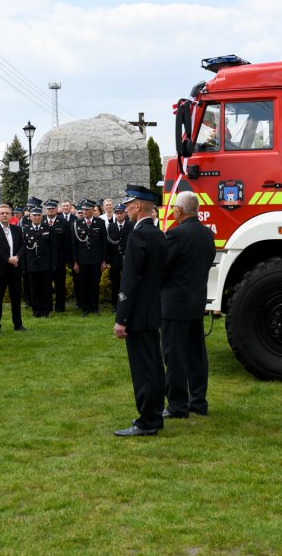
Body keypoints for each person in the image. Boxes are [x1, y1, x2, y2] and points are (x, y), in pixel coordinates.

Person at [113, 184, 167, 437]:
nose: (125, 208)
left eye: (128, 204)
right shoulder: (158, 234)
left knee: (144, 370)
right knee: (154, 365)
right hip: (153, 309)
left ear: (137, 206)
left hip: (137, 313)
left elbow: (131, 280)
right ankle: (155, 414)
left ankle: (147, 421)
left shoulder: (138, 235)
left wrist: (121, 318)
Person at [161, 191, 217, 418]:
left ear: (180, 210)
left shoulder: (175, 235)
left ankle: (177, 405)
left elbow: (163, 267)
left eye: (174, 207)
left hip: (175, 305)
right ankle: (198, 401)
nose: (173, 210)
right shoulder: (207, 234)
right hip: (196, 302)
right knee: (196, 356)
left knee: (174, 357)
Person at [0, 204, 26, 335]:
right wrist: (9, 259)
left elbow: (23, 246)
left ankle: (18, 324)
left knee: (16, 298)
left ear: (11, 214)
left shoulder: (17, 229)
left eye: (7, 213)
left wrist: (17, 257)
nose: (4, 215)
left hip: (15, 269)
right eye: (2, 213)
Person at [72, 199, 107, 315]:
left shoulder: (100, 222)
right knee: (83, 285)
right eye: (83, 210)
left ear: (93, 210)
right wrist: (75, 262)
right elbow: (74, 244)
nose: (85, 212)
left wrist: (103, 261)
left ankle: (94, 307)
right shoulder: (77, 223)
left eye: (87, 209)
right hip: (82, 260)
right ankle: (85, 308)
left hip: (96, 259)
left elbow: (104, 243)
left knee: (94, 285)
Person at [23, 205, 54, 317]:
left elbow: (52, 248)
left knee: (46, 289)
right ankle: (36, 311)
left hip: (45, 264)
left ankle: (45, 311)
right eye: (34, 215)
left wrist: (52, 264)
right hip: (31, 264)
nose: (36, 217)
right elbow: (24, 249)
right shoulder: (26, 230)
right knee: (34, 289)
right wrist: (24, 265)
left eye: (38, 215)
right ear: (30, 217)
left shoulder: (48, 229)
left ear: (42, 217)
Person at [44, 199, 72, 312]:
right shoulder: (42, 222)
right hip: (46, 260)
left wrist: (67, 259)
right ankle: (48, 306)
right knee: (46, 285)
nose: (50, 211)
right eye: (49, 209)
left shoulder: (64, 223)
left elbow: (68, 243)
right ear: (46, 210)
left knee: (60, 285)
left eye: (52, 208)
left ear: (56, 209)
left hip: (60, 260)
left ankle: (60, 307)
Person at [105, 203, 132, 309]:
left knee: (126, 283)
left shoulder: (131, 225)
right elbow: (108, 245)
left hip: (127, 259)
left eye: (121, 213)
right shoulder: (110, 227)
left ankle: (125, 303)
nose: (119, 215)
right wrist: (107, 261)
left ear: (125, 214)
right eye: (117, 213)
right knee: (115, 283)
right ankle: (115, 304)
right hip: (114, 260)